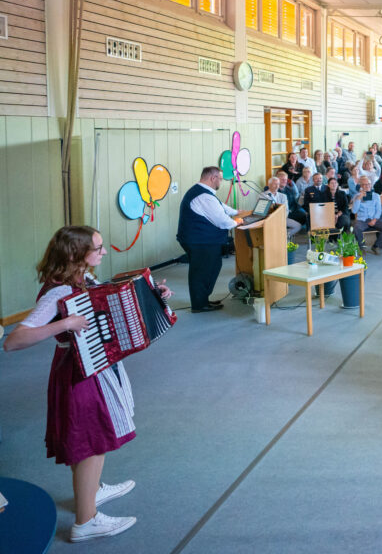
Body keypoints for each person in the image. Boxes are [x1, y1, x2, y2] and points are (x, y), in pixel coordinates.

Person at [3, 226, 160, 542]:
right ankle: (86, 521)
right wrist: (64, 323)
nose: (104, 252)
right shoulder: (57, 292)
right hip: (77, 373)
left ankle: (92, 489)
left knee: (88, 438)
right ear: (77, 254)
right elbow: (13, 341)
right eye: (98, 248)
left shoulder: (82, 279)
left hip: (94, 368)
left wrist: (155, 297)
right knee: (93, 442)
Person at [177, 165, 240, 313]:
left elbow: (220, 207)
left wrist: (237, 212)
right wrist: (237, 222)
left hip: (199, 240)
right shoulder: (203, 195)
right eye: (220, 179)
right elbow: (221, 220)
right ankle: (199, 304)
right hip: (199, 241)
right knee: (202, 272)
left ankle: (203, 299)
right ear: (213, 178)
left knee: (210, 268)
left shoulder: (202, 192)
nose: (221, 182)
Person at [351, 176, 382, 254]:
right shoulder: (356, 196)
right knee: (356, 228)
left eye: (369, 184)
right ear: (361, 186)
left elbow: (378, 210)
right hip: (362, 219)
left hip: (374, 218)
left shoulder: (376, 196)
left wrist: (374, 219)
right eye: (365, 184)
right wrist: (359, 198)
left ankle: (376, 246)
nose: (367, 186)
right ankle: (362, 247)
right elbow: (354, 211)